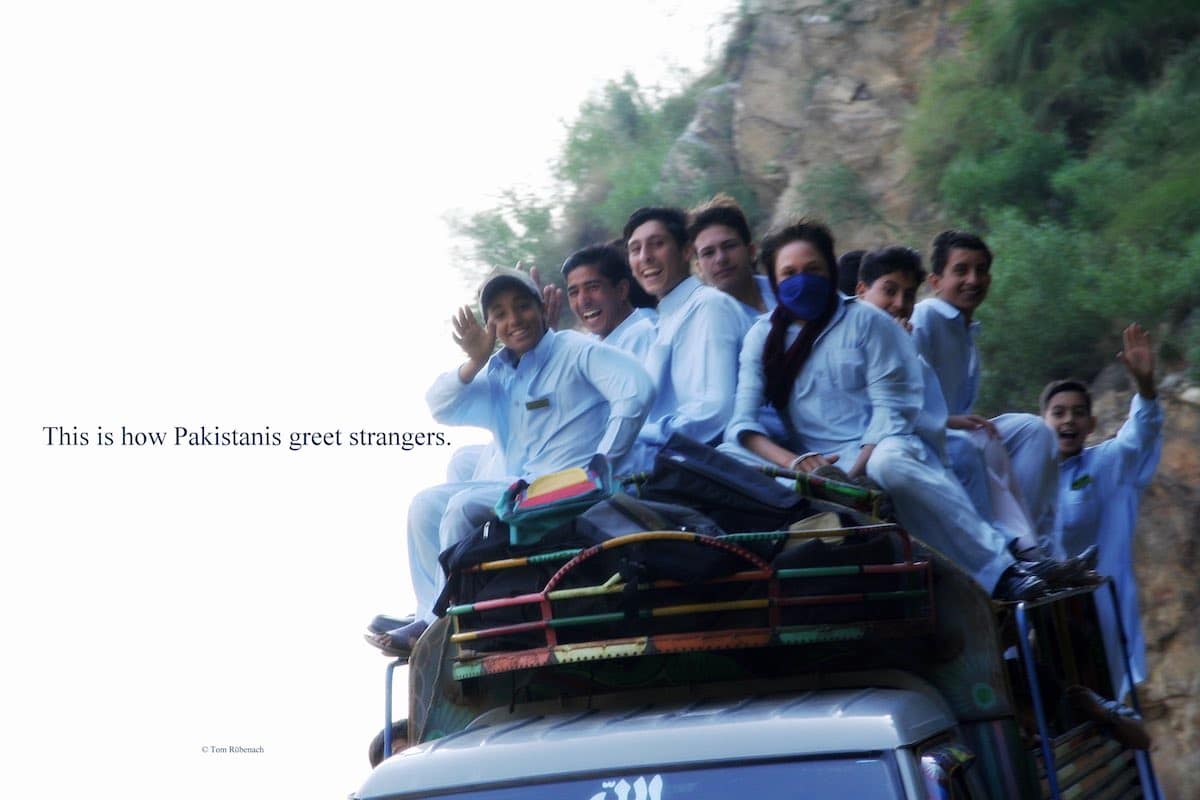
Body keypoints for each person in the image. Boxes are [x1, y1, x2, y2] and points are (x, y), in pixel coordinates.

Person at [723, 219, 1055, 601]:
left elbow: (890, 413)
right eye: (789, 273)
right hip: (810, 462)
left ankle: (1000, 570)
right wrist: (797, 463)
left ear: (829, 269)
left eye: (812, 269)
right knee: (723, 457)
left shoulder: (867, 322)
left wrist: (851, 476)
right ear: (774, 279)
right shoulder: (762, 336)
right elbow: (743, 423)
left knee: (890, 463)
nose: (802, 281)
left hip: (878, 446)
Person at [369, 267, 654, 655]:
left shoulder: (572, 349)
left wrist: (603, 464)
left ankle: (445, 627)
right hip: (524, 492)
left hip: (569, 491)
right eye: (500, 314)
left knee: (462, 507)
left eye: (522, 306)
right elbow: (440, 405)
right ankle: (428, 616)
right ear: (490, 326)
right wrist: (475, 360)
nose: (514, 320)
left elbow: (637, 389)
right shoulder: (501, 372)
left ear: (541, 308)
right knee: (425, 505)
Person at [911, 230, 1059, 554]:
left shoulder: (965, 331)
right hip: (927, 437)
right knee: (982, 439)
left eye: (980, 271)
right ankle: (1021, 549)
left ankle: (1026, 542)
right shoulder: (926, 317)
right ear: (936, 281)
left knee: (1034, 431)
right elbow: (901, 394)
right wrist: (948, 421)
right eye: (961, 270)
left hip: (957, 434)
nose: (973, 280)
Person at [1040, 323, 1164, 698]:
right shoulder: (1024, 477)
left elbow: (1140, 435)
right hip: (1044, 617)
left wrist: (1145, 386)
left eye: (1078, 413)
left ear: (1091, 424)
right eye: (1059, 413)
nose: (1068, 420)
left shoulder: (1105, 465)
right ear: (1042, 423)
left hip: (1100, 614)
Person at [624, 206, 745, 469]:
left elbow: (713, 412)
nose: (645, 257)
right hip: (679, 457)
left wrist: (633, 437)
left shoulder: (708, 307)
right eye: (635, 249)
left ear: (686, 251)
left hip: (721, 463)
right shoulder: (666, 317)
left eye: (657, 244)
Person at [687, 194, 775, 326]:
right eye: (708, 253)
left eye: (729, 246)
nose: (721, 259)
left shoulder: (781, 289)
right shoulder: (706, 323)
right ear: (699, 268)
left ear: (751, 251)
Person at [560, 243, 657, 359]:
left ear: (621, 290)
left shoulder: (646, 334)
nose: (583, 301)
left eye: (593, 287)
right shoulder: (588, 345)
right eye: (574, 293)